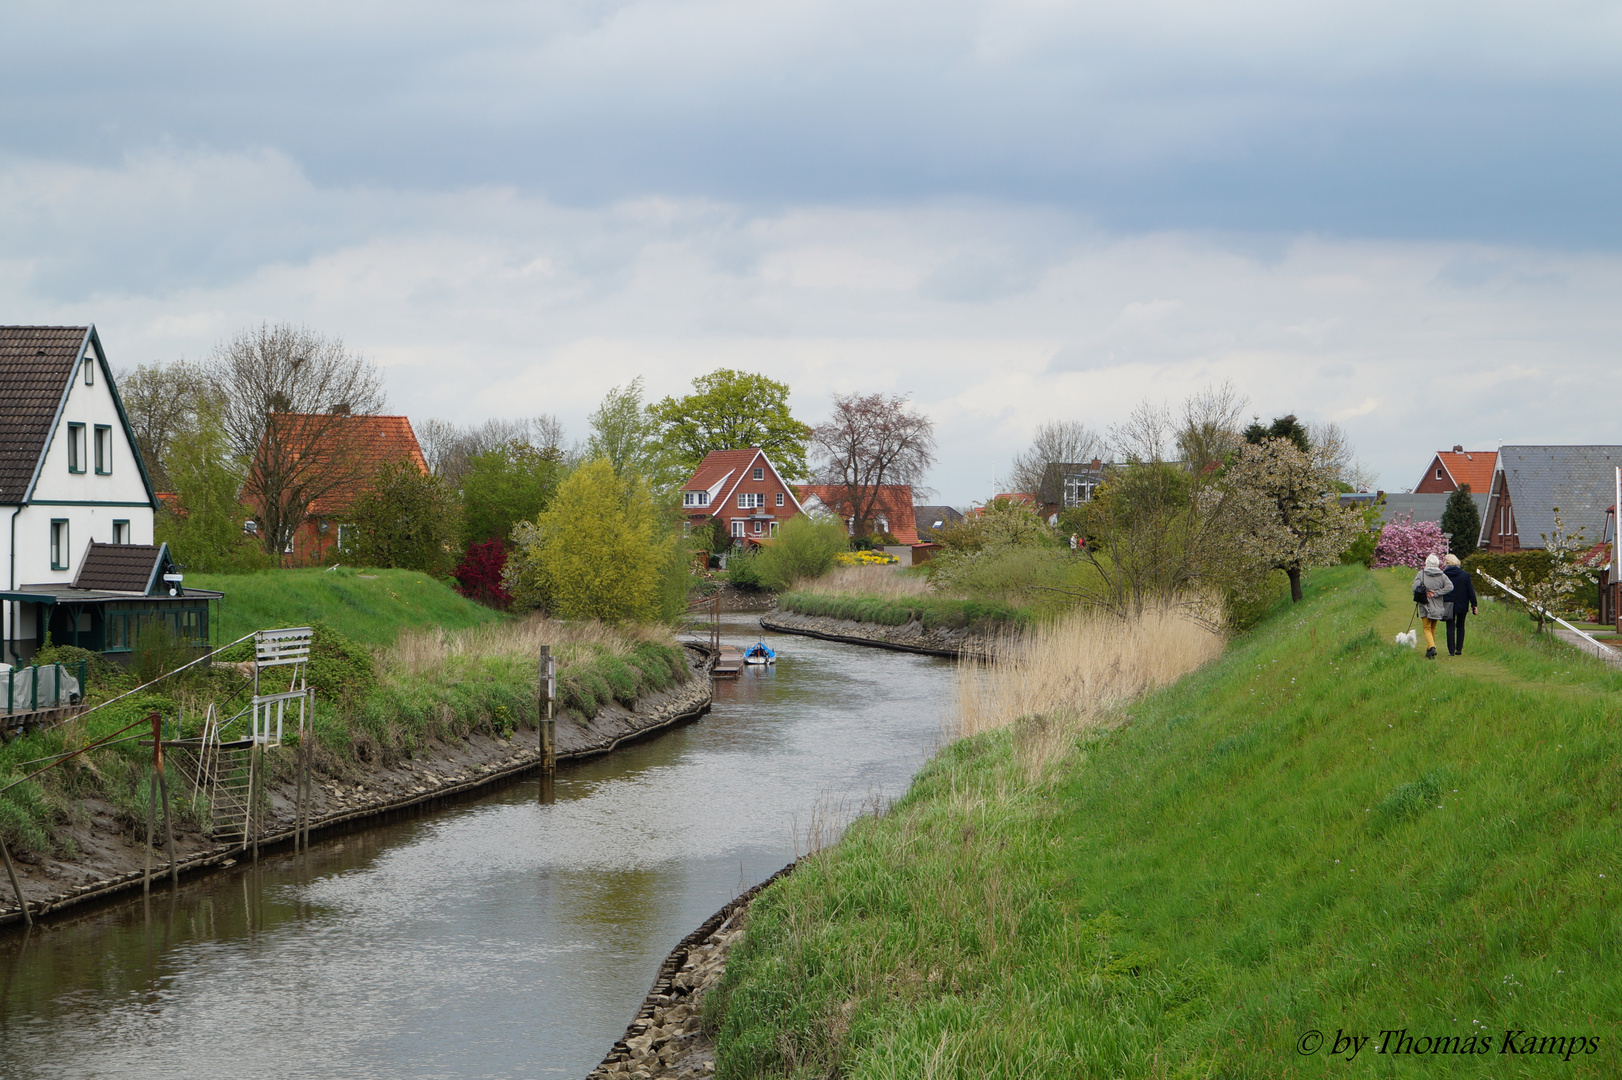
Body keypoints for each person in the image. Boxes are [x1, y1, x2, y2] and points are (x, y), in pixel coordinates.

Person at [1412, 553, 1454, 660]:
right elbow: (1450, 587)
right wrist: (1437, 593)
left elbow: (1414, 587)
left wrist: (1424, 592)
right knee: (1433, 628)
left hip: (1425, 604)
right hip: (1437, 606)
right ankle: (1429, 650)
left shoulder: (1421, 574)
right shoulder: (1442, 575)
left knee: (1426, 628)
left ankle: (1432, 646)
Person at [1443, 553, 1478, 656]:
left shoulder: (1443, 575)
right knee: (1460, 626)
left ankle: (1451, 650)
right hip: (1462, 604)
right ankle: (1459, 649)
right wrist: (1474, 604)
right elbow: (1470, 591)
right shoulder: (1465, 575)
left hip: (1448, 604)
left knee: (1450, 626)